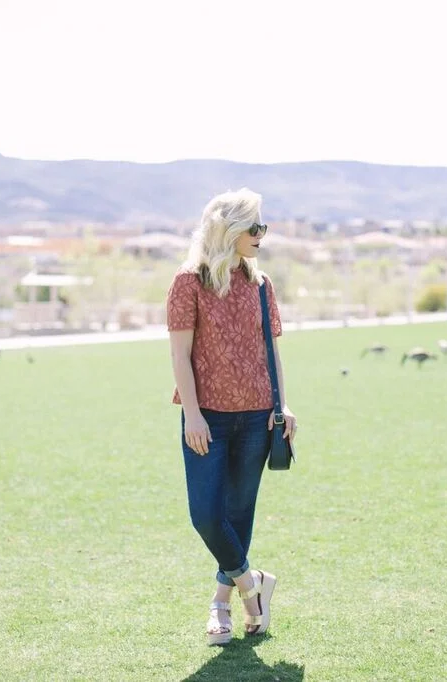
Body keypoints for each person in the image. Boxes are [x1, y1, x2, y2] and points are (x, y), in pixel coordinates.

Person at [166, 187, 298, 646]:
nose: (262, 235)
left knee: (239, 514)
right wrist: (193, 417)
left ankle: (221, 605)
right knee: (205, 514)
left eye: (262, 227)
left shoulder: (262, 286)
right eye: (255, 227)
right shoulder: (188, 282)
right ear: (230, 231)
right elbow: (180, 358)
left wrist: (281, 407)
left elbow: (272, 353)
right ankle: (252, 583)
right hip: (209, 421)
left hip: (258, 416)